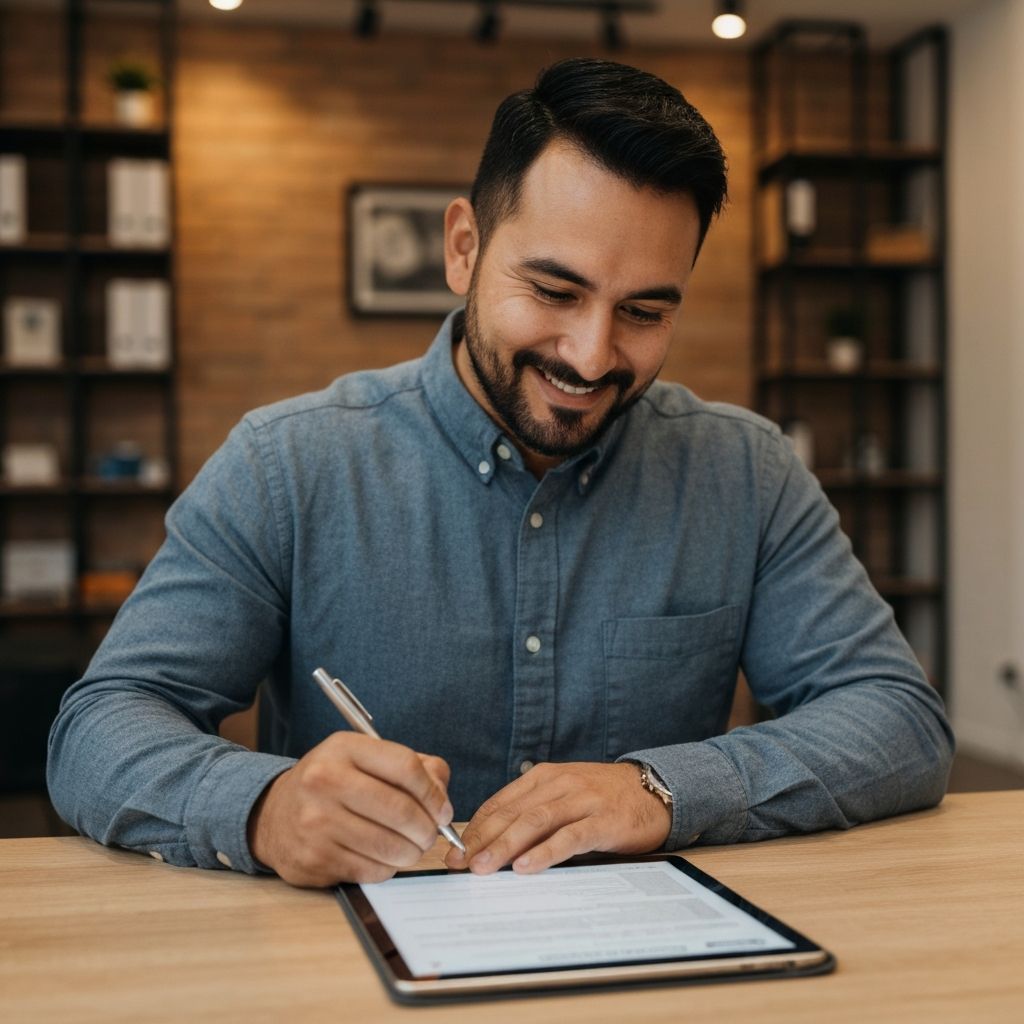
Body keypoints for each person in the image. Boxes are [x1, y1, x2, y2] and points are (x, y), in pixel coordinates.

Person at [47, 58, 953, 888]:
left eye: (642, 310)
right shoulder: (287, 464)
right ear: (463, 249)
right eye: (555, 293)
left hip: (657, 961)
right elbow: (102, 725)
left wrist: (665, 788)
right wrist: (261, 808)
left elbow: (898, 721)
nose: (592, 356)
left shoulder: (744, 473)